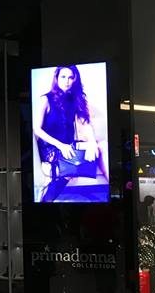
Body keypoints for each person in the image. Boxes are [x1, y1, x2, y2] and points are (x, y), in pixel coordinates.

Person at [33, 65, 106, 200]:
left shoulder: (74, 100)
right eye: (63, 77)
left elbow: (85, 123)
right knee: (69, 168)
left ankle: (114, 193)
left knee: (102, 146)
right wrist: (60, 145)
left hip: (68, 145)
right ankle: (46, 199)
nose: (67, 81)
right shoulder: (45, 99)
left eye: (70, 77)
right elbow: (37, 129)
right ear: (56, 78)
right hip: (50, 147)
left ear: (75, 80)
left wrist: (92, 143)